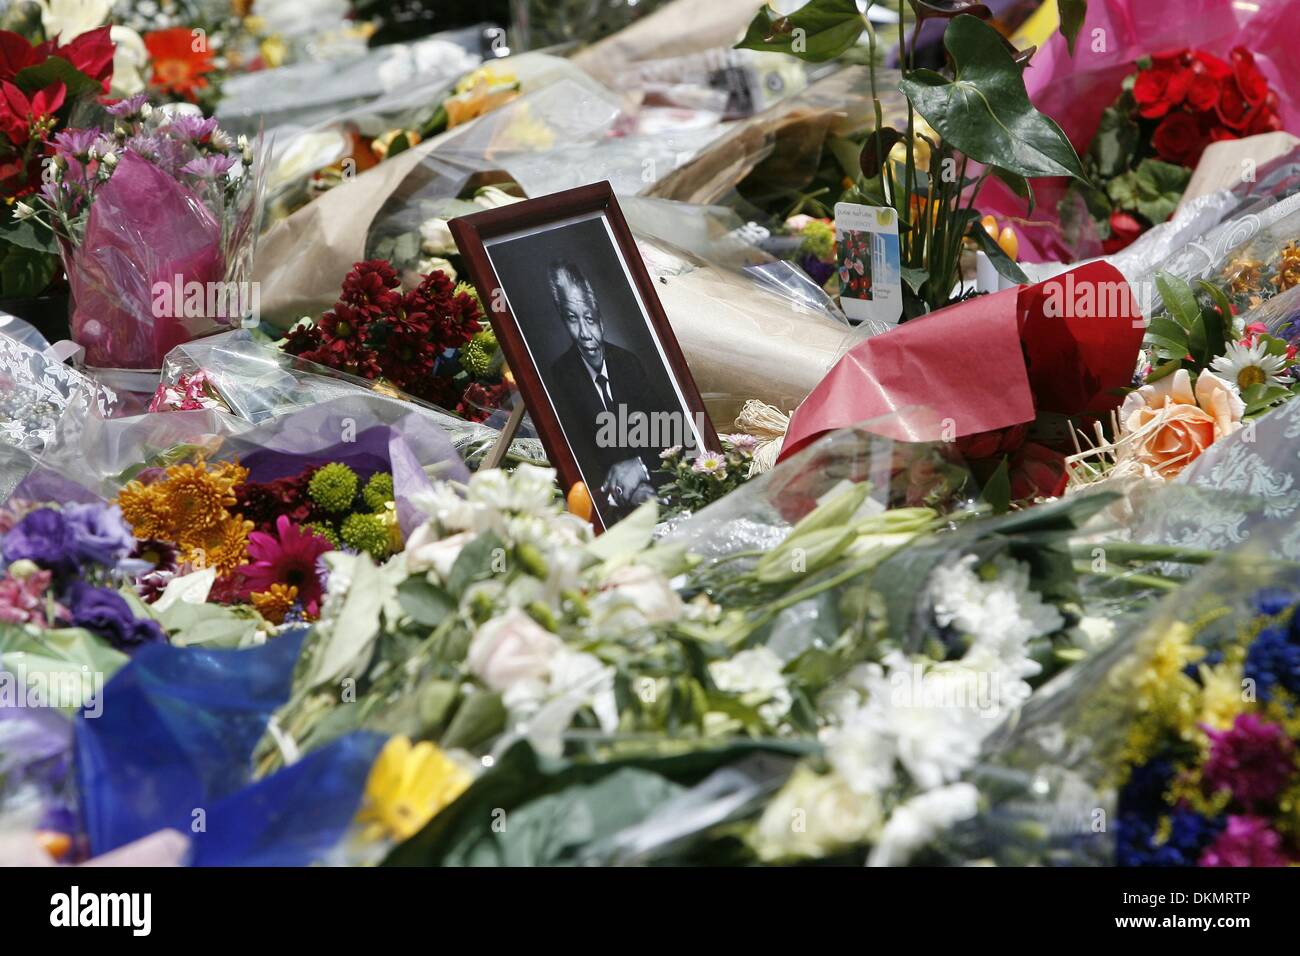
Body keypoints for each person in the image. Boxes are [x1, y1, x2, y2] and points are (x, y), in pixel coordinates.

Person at [545, 258, 669, 521]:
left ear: (600, 317)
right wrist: (622, 488)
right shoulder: (558, 376)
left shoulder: (628, 363)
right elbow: (577, 457)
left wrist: (641, 466)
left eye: (589, 318)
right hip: (601, 505)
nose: (584, 333)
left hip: (655, 489)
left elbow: (669, 430)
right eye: (571, 319)